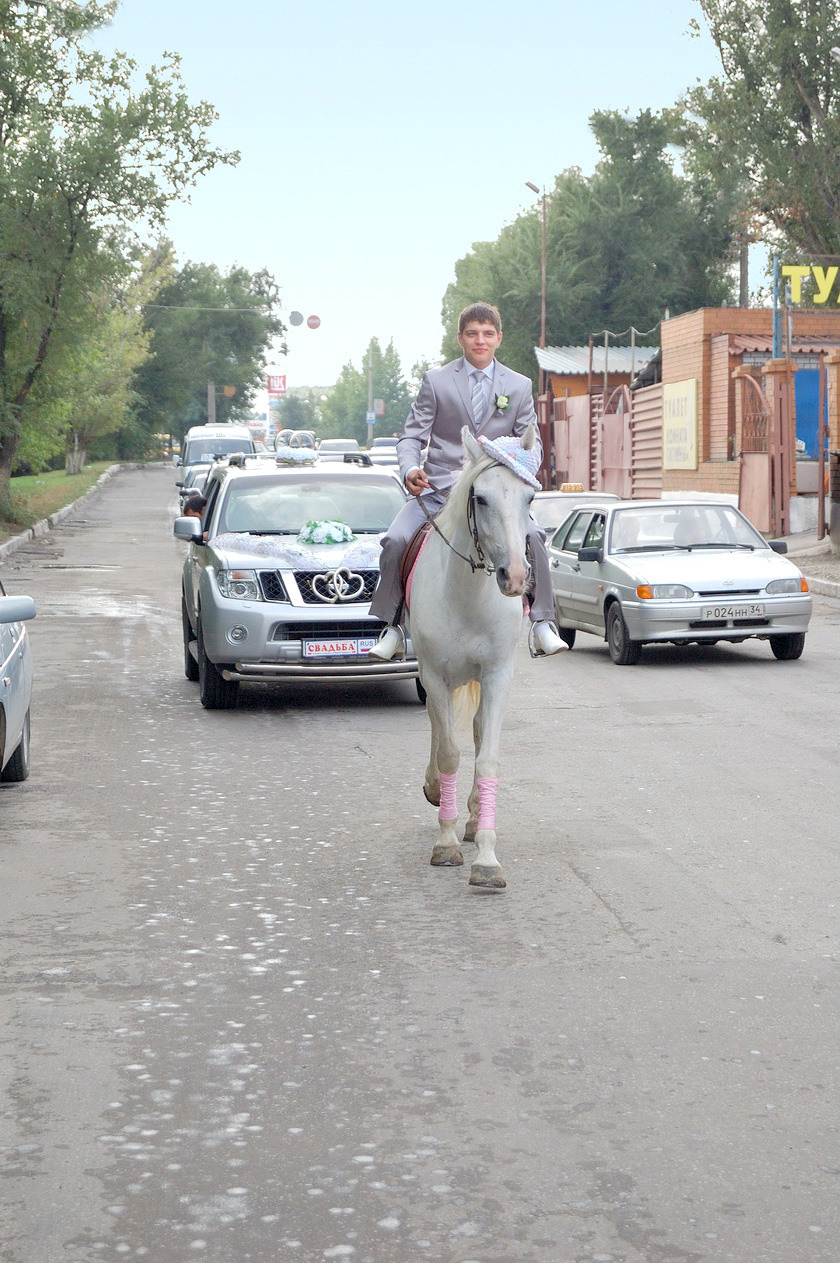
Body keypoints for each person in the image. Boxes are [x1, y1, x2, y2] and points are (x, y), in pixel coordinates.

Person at [369, 302, 566, 660]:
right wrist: (410, 469)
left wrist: (520, 469)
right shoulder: (437, 381)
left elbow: (532, 444)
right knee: (395, 540)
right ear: (460, 338)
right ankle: (392, 626)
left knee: (535, 537)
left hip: (495, 494)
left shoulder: (518, 385)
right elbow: (412, 436)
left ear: (499, 338)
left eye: (488, 334)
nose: (480, 340)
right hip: (440, 490)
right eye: (473, 333)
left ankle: (542, 622)